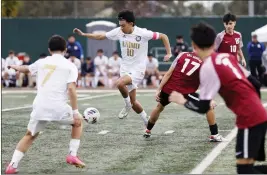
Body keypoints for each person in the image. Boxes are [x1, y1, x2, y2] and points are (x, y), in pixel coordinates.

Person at [169, 22, 267, 174]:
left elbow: (203, 107)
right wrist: (254, 106)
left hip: (250, 120)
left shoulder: (208, 67)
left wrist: (181, 100)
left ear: (194, 45)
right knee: (247, 168)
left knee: (245, 171)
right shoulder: (226, 57)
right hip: (256, 115)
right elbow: (254, 83)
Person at [73, 10, 172, 125]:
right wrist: (84, 34)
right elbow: (101, 36)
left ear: (131, 23)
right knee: (134, 102)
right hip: (125, 69)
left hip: (138, 69)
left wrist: (168, 53)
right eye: (120, 25)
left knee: (119, 83)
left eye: (123, 25)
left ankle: (127, 105)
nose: (121, 27)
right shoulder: (119, 32)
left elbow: (163, 36)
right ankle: (146, 120)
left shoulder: (143, 33)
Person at [5, 35, 85, 174]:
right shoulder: (70, 65)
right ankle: (72, 154)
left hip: (40, 106)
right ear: (65, 49)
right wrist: (75, 111)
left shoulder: (41, 62)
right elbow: (71, 89)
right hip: (58, 107)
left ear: (49, 50)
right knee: (78, 123)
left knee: (30, 135)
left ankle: (12, 165)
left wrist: (15, 66)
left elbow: (26, 68)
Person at [144, 51, 224, 142]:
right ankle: (214, 134)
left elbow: (168, 73)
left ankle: (148, 130)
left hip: (169, 88)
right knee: (209, 106)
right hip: (184, 92)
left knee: (159, 107)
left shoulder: (182, 54)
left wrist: (159, 89)